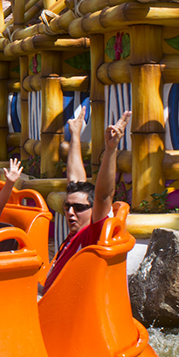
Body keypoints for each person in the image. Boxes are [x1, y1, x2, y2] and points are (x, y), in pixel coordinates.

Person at [41, 108, 131, 292]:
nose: (70, 213)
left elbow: (104, 195)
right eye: (67, 207)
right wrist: (75, 135)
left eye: (79, 208)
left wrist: (111, 149)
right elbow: (74, 180)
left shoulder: (91, 235)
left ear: (93, 210)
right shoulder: (76, 234)